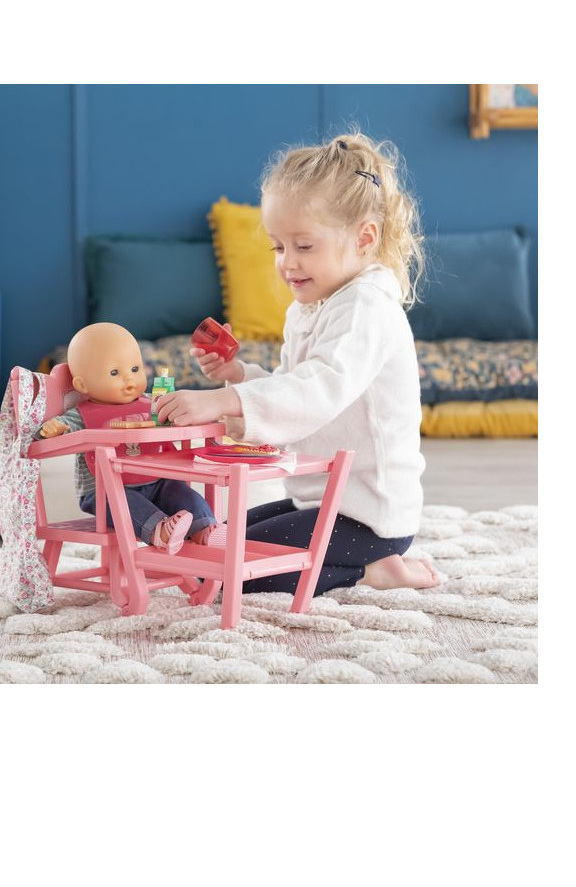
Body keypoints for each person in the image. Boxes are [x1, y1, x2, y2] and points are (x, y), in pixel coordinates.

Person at [154, 132, 440, 595]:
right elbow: (292, 387)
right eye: (278, 247)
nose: (287, 263)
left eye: (304, 246)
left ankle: (372, 568)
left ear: (364, 238)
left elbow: (317, 389)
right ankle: (366, 563)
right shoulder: (310, 310)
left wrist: (224, 401)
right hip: (326, 503)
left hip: (369, 517)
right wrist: (238, 376)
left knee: (220, 573)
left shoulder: (366, 307)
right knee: (214, 542)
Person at [38, 322, 226, 554]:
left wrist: (189, 416)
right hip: (103, 491)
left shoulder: (153, 403)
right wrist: (56, 428)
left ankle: (204, 529)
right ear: (82, 385)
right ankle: (159, 531)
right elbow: (59, 430)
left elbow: (175, 417)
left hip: (156, 481)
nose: (129, 380)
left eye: (135, 369)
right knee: (123, 500)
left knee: (181, 491)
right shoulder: (80, 414)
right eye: (114, 373)